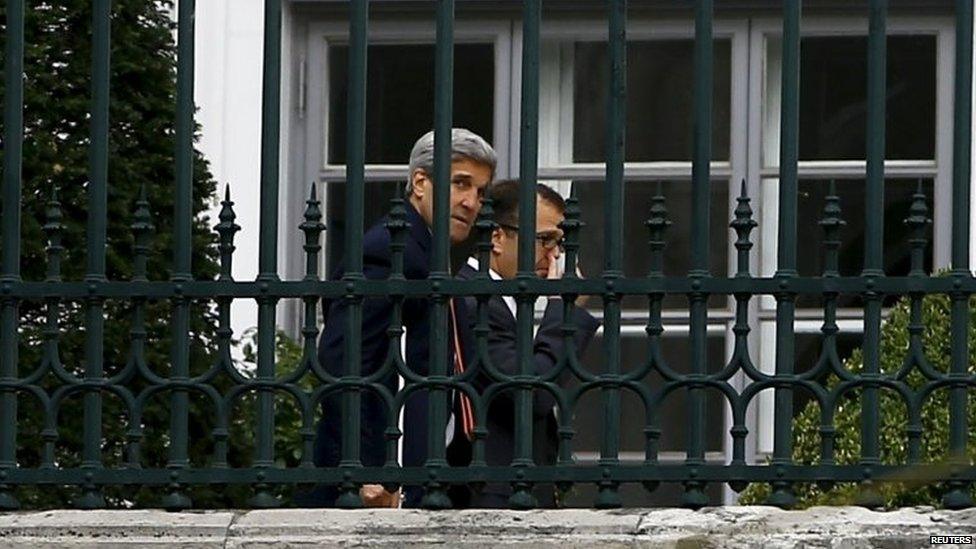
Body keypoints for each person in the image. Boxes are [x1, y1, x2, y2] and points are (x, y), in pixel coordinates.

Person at [308, 128, 496, 508]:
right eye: (461, 183)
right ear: (420, 182)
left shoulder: (424, 248)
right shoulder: (391, 250)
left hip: (417, 472)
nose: (471, 202)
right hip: (380, 484)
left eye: (479, 191)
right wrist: (367, 469)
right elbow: (347, 361)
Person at [457, 180, 600, 508]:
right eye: (545, 240)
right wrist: (563, 311)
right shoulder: (472, 301)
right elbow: (530, 392)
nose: (555, 256)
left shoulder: (498, 299)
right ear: (496, 238)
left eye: (560, 244)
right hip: (491, 501)